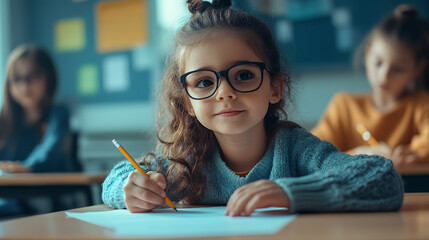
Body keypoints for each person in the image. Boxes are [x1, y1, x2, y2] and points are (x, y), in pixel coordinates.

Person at [102, 0, 403, 216]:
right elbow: (118, 176)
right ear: (187, 103)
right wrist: (129, 189)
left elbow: (382, 177)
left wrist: (291, 193)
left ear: (275, 88)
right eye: (204, 82)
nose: (225, 93)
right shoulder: (186, 162)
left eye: (243, 75)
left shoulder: (297, 151)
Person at [312, 5, 429, 166]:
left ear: (418, 68)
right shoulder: (343, 106)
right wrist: (357, 155)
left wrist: (414, 153)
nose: (384, 76)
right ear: (367, 55)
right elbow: (313, 151)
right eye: (378, 63)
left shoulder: (421, 104)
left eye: (398, 69)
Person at [0, 45, 74, 216]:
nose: (24, 85)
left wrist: (27, 167)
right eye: (16, 78)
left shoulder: (58, 114)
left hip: (47, 200)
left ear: (49, 78)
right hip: (8, 197)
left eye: (32, 76)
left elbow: (51, 148)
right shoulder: (4, 121)